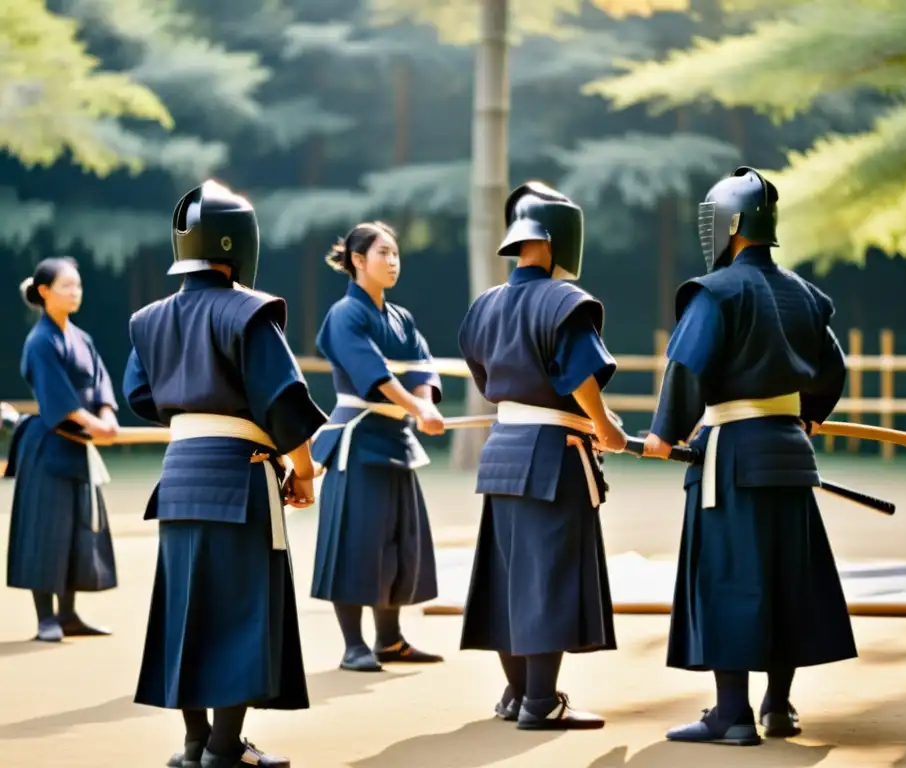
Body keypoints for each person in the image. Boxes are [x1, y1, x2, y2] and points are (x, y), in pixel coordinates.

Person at [643, 167, 857, 746]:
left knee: (730, 577)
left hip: (732, 456)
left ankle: (731, 715)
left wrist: (666, 431)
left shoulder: (716, 292)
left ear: (731, 225)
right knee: (785, 575)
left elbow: (686, 366)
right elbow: (833, 372)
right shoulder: (805, 293)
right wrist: (808, 414)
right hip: (790, 453)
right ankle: (779, 706)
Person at [123, 179, 326, 768]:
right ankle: (222, 749)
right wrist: (304, 471)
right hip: (239, 478)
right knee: (242, 610)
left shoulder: (148, 319)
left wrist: (191, 411)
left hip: (179, 477)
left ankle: (194, 745)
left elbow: (141, 395)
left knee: (187, 611)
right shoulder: (251, 312)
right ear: (239, 244)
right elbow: (283, 402)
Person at [458, 181, 628, 730]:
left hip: (504, 450)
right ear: (556, 240)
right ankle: (540, 701)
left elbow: (486, 380)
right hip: (553, 456)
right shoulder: (564, 301)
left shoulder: (485, 304)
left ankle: (515, 694)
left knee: (511, 575)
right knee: (549, 576)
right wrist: (605, 426)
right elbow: (578, 375)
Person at [310, 221, 446, 672]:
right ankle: (354, 644)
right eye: (383, 253)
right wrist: (416, 408)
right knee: (356, 542)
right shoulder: (345, 315)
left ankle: (390, 638)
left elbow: (423, 366)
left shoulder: (401, 317)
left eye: (396, 254)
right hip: (358, 440)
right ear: (356, 260)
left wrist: (424, 405)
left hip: (396, 439)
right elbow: (375, 375)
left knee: (396, 541)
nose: (392, 261)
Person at [5, 257, 119, 643]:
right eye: (67, 286)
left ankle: (69, 614)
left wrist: (107, 415)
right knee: (46, 531)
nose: (75, 293)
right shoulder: (41, 341)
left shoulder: (81, 338)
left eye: (78, 286)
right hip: (49, 446)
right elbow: (60, 401)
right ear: (44, 291)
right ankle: (46, 619)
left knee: (77, 529)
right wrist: (95, 424)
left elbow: (101, 383)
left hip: (80, 447)